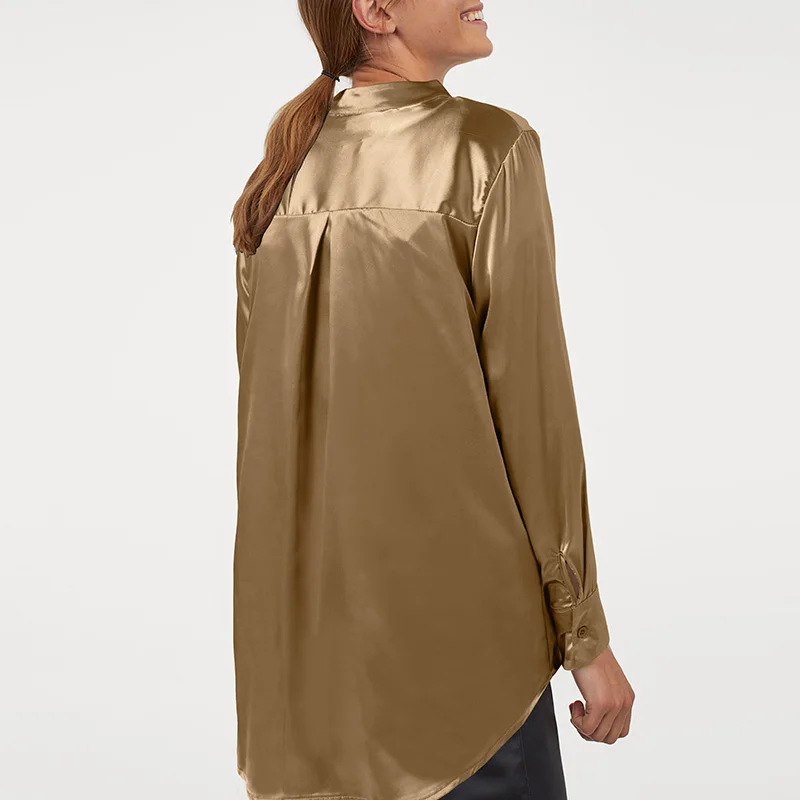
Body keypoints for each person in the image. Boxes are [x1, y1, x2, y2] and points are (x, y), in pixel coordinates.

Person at [230, 2, 635, 799]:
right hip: (467, 674)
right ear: (376, 10)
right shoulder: (487, 147)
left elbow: (264, 437)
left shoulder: (278, 174)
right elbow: (535, 411)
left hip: (303, 689)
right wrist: (585, 636)